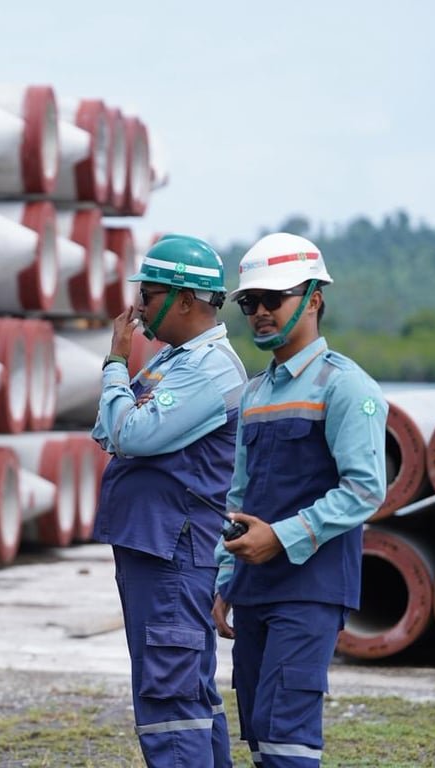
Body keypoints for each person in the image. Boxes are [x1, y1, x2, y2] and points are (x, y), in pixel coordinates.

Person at [212, 233, 387, 767]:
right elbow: (239, 493)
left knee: (287, 732)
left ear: (313, 299)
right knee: (259, 728)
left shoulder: (345, 387)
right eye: (250, 302)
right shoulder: (254, 393)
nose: (260, 312)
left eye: (274, 298)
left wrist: (281, 537)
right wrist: (225, 580)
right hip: (254, 588)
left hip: (311, 588)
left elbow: (364, 489)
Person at [91, 235, 246, 767]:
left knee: (170, 699)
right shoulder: (174, 362)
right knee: (185, 691)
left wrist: (116, 362)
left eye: (148, 295)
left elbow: (130, 433)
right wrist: (124, 408)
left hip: (174, 555)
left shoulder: (210, 368)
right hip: (154, 549)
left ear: (184, 300)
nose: (137, 308)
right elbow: (107, 430)